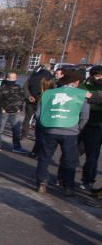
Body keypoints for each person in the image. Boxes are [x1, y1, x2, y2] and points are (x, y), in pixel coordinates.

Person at [35, 68, 90, 196]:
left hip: (50, 129)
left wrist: (45, 125)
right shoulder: (80, 94)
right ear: (76, 82)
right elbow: (85, 115)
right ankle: (67, 186)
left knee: (44, 157)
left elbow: (39, 113)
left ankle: (42, 183)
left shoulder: (49, 93)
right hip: (70, 131)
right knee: (69, 159)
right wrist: (78, 128)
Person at [0, 71, 27, 153]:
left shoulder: (18, 87)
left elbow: (22, 98)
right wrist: (1, 108)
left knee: (16, 130)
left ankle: (17, 147)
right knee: (0, 129)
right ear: (7, 78)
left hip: (15, 112)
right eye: (13, 77)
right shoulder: (1, 88)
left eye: (16, 77)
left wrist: (20, 108)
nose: (15, 79)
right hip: (4, 112)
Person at [79, 65, 102, 192]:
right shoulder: (84, 85)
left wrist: (91, 97)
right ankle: (86, 180)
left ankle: (88, 180)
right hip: (88, 124)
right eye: (98, 76)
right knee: (86, 153)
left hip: (98, 124)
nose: (100, 78)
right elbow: (81, 102)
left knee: (93, 155)